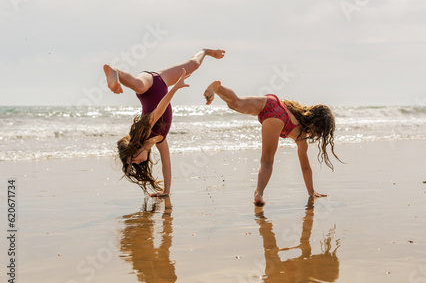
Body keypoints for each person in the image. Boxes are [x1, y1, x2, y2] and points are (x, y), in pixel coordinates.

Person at [104, 48, 225, 196]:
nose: (136, 163)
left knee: (139, 86)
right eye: (133, 163)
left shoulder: (145, 132)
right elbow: (167, 165)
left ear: (134, 148)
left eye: (132, 159)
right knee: (193, 64)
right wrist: (166, 192)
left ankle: (116, 72)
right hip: (161, 80)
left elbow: (160, 109)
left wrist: (175, 88)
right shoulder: (159, 141)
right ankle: (205, 51)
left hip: (148, 83)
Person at [204, 80, 342, 206]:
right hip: (278, 118)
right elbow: (305, 168)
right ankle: (259, 193)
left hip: (272, 102)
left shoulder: (293, 109)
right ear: (317, 127)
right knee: (267, 161)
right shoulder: (302, 137)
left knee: (236, 103)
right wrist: (311, 191)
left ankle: (218, 88)